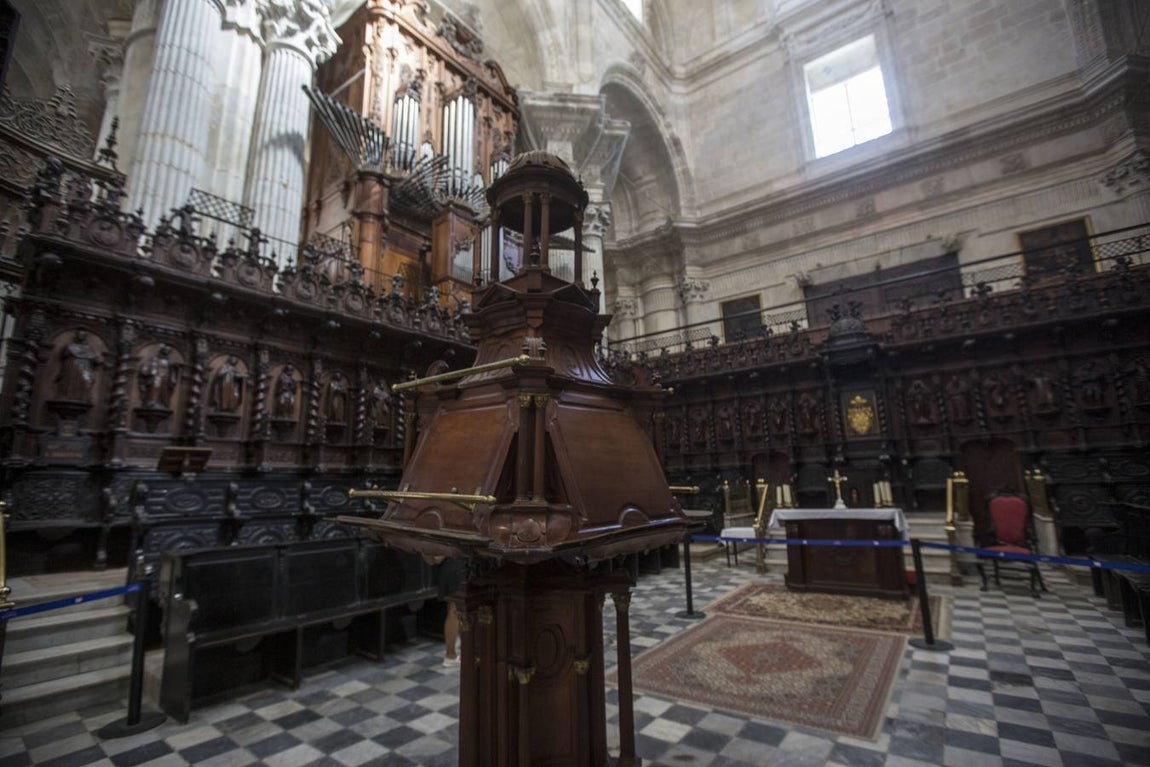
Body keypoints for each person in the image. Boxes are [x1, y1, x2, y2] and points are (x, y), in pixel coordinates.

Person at [438, 557, 465, 667]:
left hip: (448, 566)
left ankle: (454, 651)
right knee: (455, 611)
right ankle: (450, 654)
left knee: (454, 609)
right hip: (457, 565)